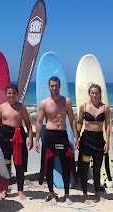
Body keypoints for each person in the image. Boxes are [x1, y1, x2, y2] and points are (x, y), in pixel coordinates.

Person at [35, 76, 78, 205]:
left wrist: (76, 136)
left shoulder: (67, 102)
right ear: (49, 87)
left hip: (62, 135)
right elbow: (38, 122)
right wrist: (37, 140)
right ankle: (52, 193)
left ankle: (66, 194)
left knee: (66, 165)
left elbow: (72, 119)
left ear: (60, 86)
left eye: (56, 85)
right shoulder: (44, 103)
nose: (54, 88)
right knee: (49, 165)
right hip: (50, 135)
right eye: (52, 86)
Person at [0, 84, 33, 200]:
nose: (11, 95)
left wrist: (30, 138)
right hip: (4, 136)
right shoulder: (1, 107)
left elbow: (29, 125)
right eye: (9, 93)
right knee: (5, 165)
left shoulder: (21, 107)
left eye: (13, 93)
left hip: (18, 136)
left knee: (19, 164)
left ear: (17, 94)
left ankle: (20, 190)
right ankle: (4, 189)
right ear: (5, 94)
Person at [76, 84, 110, 204]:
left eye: (96, 93)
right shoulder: (83, 107)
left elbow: (107, 126)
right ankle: (85, 195)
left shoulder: (105, 108)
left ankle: (97, 193)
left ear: (100, 94)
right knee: (84, 168)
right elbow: (79, 123)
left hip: (99, 142)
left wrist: (108, 142)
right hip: (86, 141)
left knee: (97, 168)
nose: (94, 95)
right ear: (89, 94)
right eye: (92, 93)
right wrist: (76, 137)